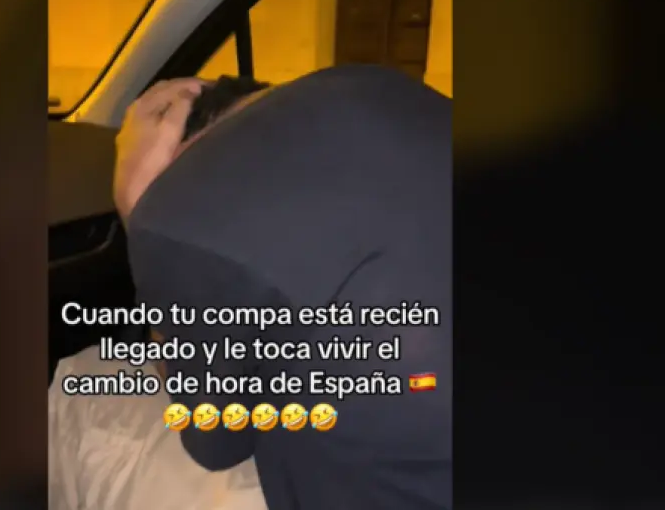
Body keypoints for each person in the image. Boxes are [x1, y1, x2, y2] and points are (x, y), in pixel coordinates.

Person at [113, 66, 452, 510]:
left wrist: (138, 209)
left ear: (177, 149)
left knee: (80, 392)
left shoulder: (184, 209)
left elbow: (213, 439)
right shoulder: (386, 88)